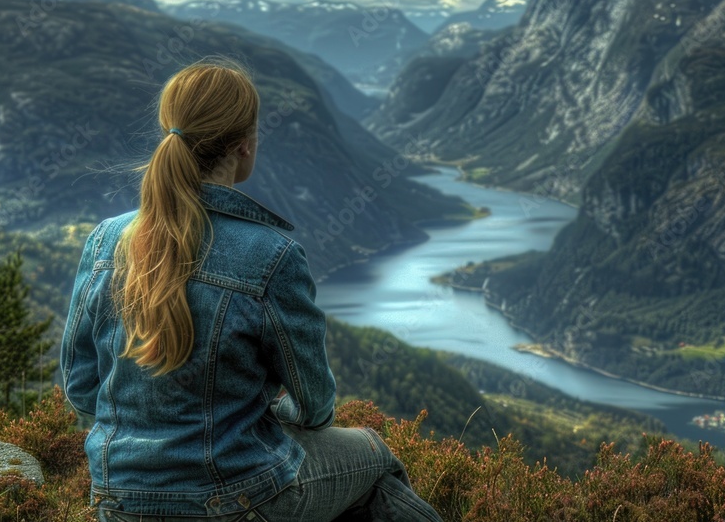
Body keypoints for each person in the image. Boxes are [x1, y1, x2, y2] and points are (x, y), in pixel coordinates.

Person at [61, 58, 444, 522]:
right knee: (373, 455)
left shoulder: (106, 241)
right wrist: (261, 411)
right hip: (234, 501)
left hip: (117, 500)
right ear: (244, 144)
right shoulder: (272, 256)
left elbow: (82, 389)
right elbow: (315, 404)